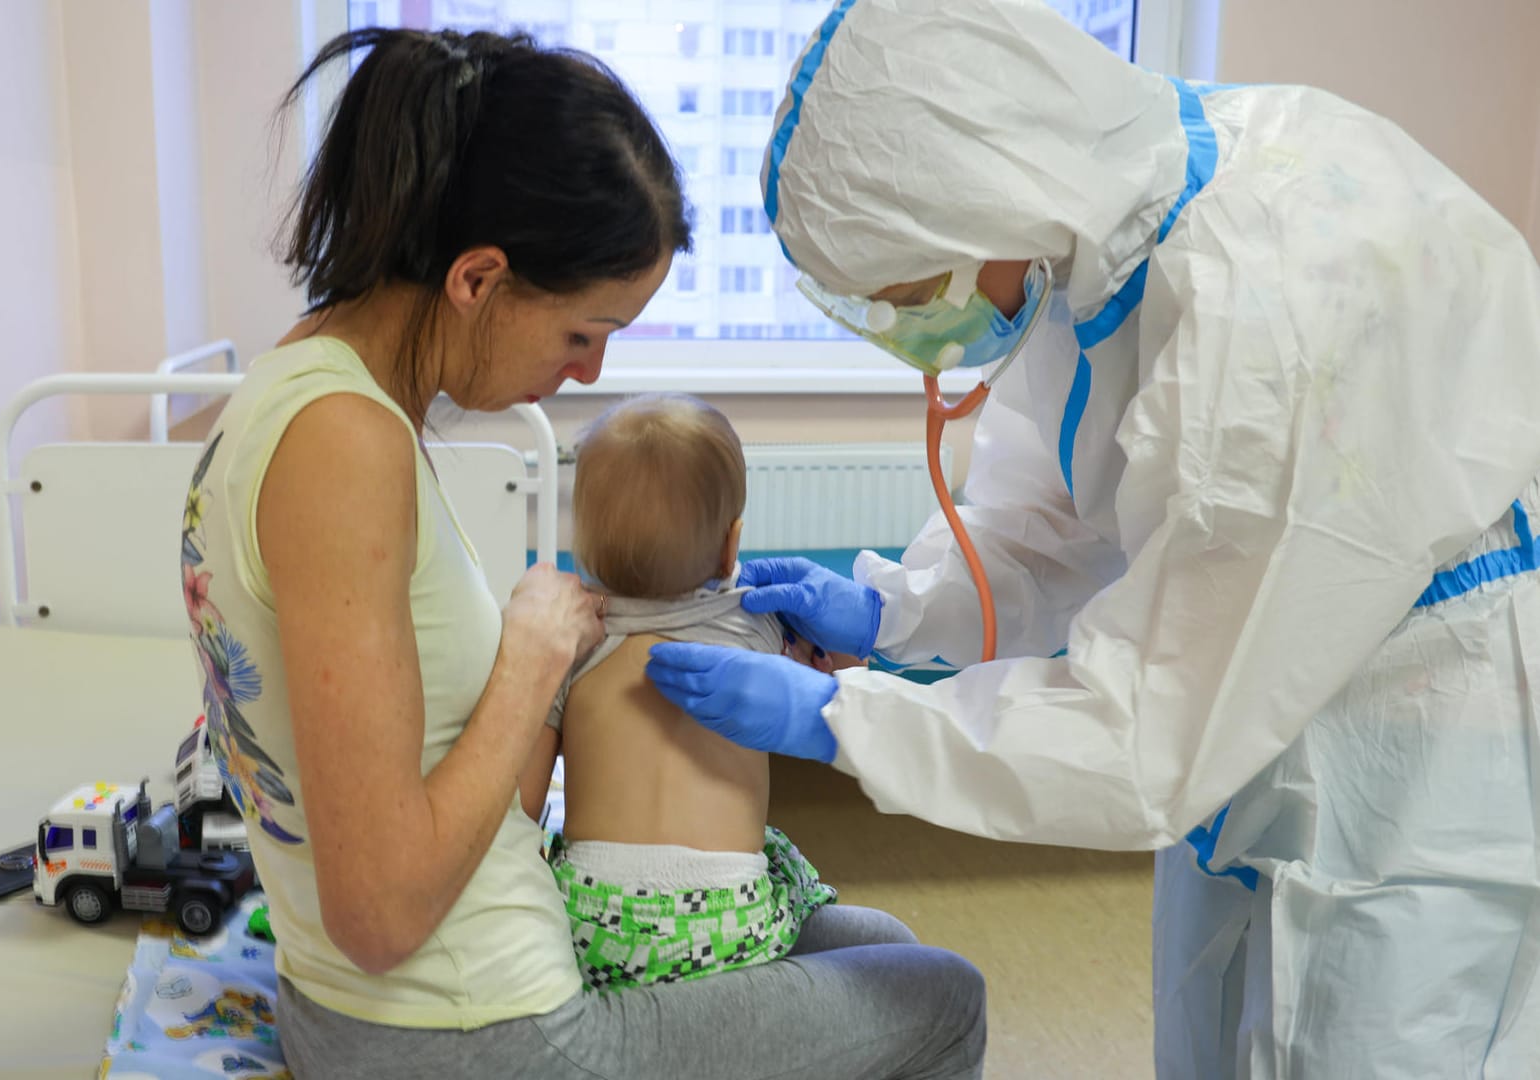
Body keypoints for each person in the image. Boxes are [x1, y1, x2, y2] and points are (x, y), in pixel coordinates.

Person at [644, 0, 1540, 1075]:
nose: (911, 334)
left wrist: (852, 721)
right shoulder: (1091, 248)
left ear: (982, 198)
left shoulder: (1265, 294)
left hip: (1420, 742)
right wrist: (895, 612)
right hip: (1252, 699)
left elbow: (1147, 726)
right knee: (1216, 1029)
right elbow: (1067, 522)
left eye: (910, 295)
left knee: (1363, 1038)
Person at [181, 26, 985, 1080]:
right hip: (474, 1029)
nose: (590, 369)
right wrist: (528, 663)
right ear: (478, 279)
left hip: (414, 995)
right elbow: (377, 911)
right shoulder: (345, 447)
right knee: (946, 1001)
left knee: (879, 950)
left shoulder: (302, 389)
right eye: (580, 334)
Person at [525, 393, 944, 992]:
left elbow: (522, 811)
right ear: (732, 544)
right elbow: (848, 679)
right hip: (731, 922)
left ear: (583, 546)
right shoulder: (757, 621)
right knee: (787, 869)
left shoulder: (570, 643)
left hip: (596, 930)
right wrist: (856, 626)